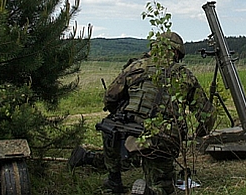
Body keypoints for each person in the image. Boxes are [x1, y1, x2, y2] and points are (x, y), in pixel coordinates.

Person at [70, 32, 215, 195]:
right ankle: (149, 191)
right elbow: (206, 115)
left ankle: (112, 179)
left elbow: (110, 98)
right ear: (175, 53)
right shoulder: (184, 75)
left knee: (115, 134)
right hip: (160, 139)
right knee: (164, 185)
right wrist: (199, 135)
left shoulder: (135, 67)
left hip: (127, 134)